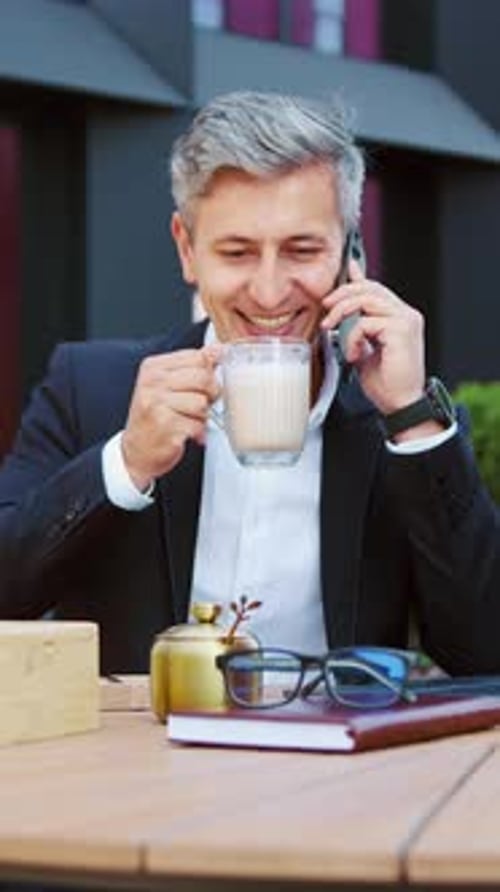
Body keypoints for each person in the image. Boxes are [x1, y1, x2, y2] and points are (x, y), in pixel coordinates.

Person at [0, 90, 499, 677]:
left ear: (351, 253)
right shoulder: (90, 388)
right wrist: (126, 463)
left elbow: (485, 654)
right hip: (137, 759)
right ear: (187, 249)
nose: (268, 291)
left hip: (334, 760)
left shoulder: (400, 423)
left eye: (302, 250)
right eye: (236, 252)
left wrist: (411, 420)